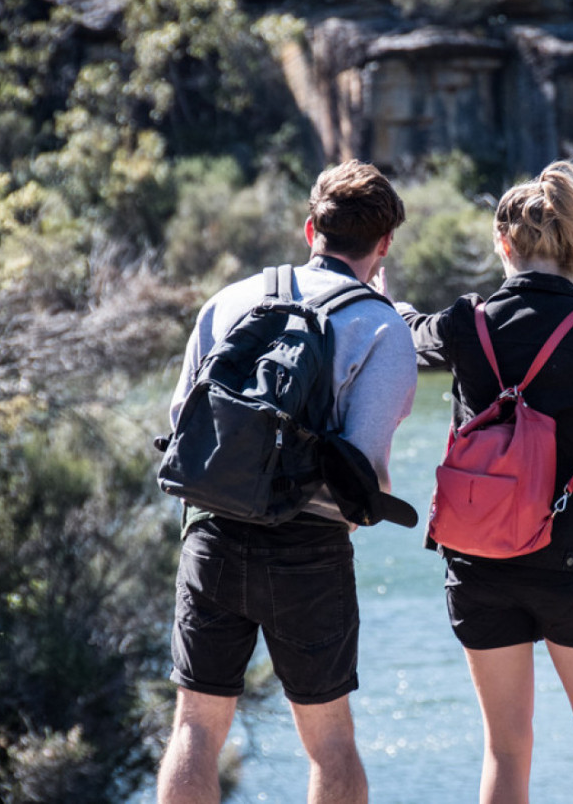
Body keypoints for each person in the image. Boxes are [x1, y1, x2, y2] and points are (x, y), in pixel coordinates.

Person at [157, 160, 418, 804]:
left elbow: (179, 420)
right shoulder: (383, 329)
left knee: (194, 726)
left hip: (212, 535)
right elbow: (365, 473)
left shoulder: (231, 300)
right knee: (330, 744)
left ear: (310, 229)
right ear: (383, 245)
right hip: (309, 552)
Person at [396, 161, 573, 803]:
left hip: (476, 560)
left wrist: (387, 300)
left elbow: (405, 336)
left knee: (507, 750)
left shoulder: (465, 323)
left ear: (502, 245)